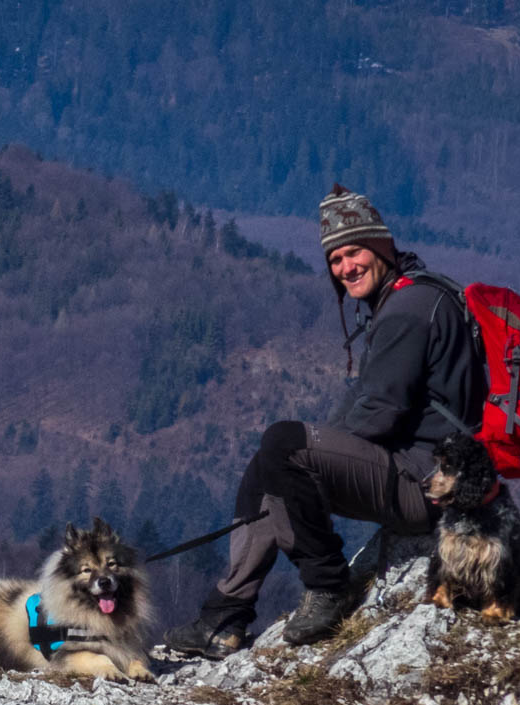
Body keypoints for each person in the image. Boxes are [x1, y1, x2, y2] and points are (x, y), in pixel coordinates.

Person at [163, 185, 487, 654]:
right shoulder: (409, 298)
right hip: (422, 472)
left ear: (380, 246)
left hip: (430, 486)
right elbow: (370, 404)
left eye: (353, 252)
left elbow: (379, 413)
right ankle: (224, 617)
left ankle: (328, 585)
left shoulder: (409, 310)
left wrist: (310, 458)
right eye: (335, 260)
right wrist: (308, 456)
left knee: (282, 445)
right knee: (273, 456)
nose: (345, 268)